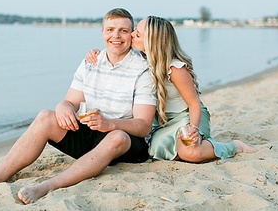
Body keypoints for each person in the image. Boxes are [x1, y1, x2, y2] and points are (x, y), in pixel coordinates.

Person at [0, 8, 157, 204]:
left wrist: (110, 124)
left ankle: (47, 186)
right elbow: (71, 101)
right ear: (102, 33)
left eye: (123, 30)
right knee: (46, 116)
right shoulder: (90, 62)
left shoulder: (142, 70)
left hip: (127, 145)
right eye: (110, 29)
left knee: (117, 137)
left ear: (132, 35)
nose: (116, 35)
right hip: (91, 134)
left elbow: (143, 125)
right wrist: (63, 106)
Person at [84, 16, 257, 163]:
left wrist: (193, 128)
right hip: (162, 123)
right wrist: (95, 53)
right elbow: (115, 51)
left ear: (151, 41)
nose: (130, 35)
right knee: (155, 153)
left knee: (190, 152)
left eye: (137, 34)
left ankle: (233, 146)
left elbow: (194, 103)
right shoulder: (140, 59)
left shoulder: (175, 68)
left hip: (187, 115)